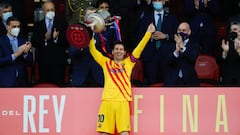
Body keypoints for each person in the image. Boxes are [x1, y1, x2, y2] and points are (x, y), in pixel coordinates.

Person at [89, 23, 155, 134]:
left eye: (121, 49)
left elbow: (139, 49)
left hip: (123, 102)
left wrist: (148, 34)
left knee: (124, 132)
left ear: (124, 52)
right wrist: (91, 33)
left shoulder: (129, 63)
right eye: (116, 49)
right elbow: (93, 51)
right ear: (112, 52)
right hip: (107, 102)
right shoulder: (106, 63)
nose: (119, 51)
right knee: (104, 133)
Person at [136, 0, 178, 85]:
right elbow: (139, 35)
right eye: (155, 0)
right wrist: (148, 36)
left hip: (167, 56)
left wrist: (166, 36)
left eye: (160, 0)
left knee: (167, 84)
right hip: (150, 57)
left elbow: (177, 36)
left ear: (164, 2)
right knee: (151, 83)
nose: (157, 2)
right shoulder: (145, 18)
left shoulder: (172, 18)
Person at [32, 1, 68, 86]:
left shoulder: (62, 23)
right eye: (48, 10)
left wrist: (56, 38)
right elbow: (34, 42)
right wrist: (45, 39)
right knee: (45, 86)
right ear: (43, 11)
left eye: (52, 9)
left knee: (59, 87)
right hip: (44, 63)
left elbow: (67, 41)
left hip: (58, 62)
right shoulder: (38, 25)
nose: (50, 12)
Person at [68, 6, 104, 87]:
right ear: (84, 19)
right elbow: (71, 53)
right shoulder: (77, 32)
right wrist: (82, 43)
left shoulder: (102, 33)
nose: (92, 19)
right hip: (80, 77)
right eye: (89, 16)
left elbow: (108, 53)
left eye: (94, 16)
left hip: (98, 77)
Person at [164, 22, 200, 86]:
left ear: (189, 32)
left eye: (184, 30)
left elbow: (193, 58)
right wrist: (176, 51)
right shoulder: (170, 44)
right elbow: (167, 61)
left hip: (189, 80)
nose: (181, 32)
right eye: (179, 30)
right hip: (172, 81)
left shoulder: (195, 45)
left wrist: (182, 47)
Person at [0, 16, 32, 87]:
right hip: (6, 81)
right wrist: (15, 54)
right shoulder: (1, 41)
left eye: (18, 27)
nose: (16, 29)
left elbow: (31, 62)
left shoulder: (23, 41)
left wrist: (26, 53)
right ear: (7, 27)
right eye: (14, 27)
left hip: (22, 81)